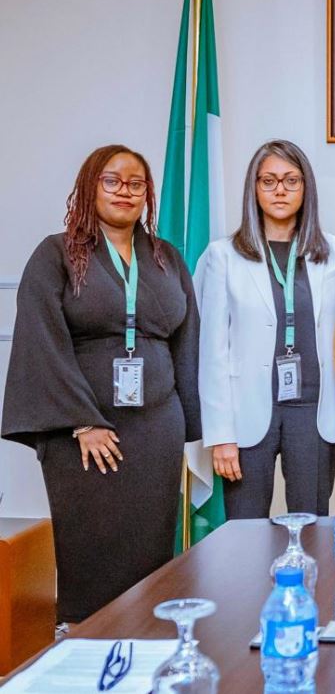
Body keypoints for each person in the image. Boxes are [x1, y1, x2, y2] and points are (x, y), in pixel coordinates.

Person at [1, 145, 200, 623]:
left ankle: (147, 643)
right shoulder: (58, 253)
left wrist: (191, 425)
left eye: (136, 183)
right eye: (112, 181)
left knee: (151, 551)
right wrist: (82, 421)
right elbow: (41, 337)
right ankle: (88, 646)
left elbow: (187, 339)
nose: (125, 191)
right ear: (91, 186)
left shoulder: (166, 257)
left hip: (156, 429)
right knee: (92, 550)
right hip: (86, 435)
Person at [194, 140, 335, 519]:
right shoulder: (223, 255)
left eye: (291, 180)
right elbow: (211, 350)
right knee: (244, 531)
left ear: (306, 188)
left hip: (315, 411)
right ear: (254, 188)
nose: (280, 190)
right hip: (246, 413)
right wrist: (220, 434)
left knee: (311, 525)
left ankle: (310, 582)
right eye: (269, 181)